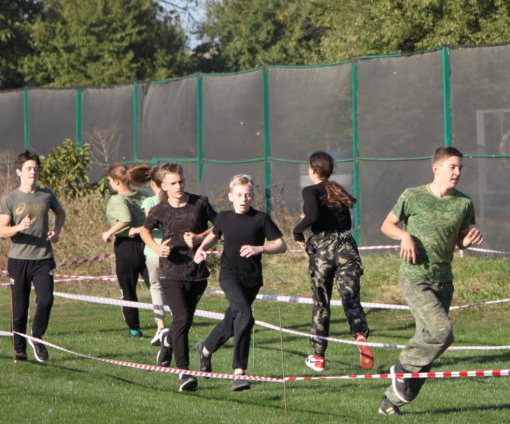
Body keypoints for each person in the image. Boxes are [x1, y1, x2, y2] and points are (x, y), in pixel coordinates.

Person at [377, 146, 484, 416]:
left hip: (443, 280)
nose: (457, 172)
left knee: (428, 341)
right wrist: (404, 236)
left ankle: (393, 400)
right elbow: (387, 225)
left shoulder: (463, 203)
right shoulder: (412, 196)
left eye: (461, 167)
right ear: (436, 168)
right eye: (452, 167)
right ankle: (402, 368)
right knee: (441, 332)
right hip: (415, 277)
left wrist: (465, 243)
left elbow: (459, 239)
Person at [193, 174, 286, 391]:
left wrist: (260, 248)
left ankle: (205, 349)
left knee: (232, 320)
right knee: (245, 315)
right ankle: (239, 372)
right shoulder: (224, 217)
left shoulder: (261, 218)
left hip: (252, 279)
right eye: (239, 195)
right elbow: (214, 235)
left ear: (253, 196)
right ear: (230, 197)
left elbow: (281, 245)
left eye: (248, 195)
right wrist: (201, 249)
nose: (243, 199)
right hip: (229, 275)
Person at [293, 151, 373, 372]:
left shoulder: (310, 190)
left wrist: (297, 233)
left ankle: (318, 356)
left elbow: (312, 218)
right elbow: (345, 221)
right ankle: (359, 335)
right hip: (347, 245)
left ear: (313, 170)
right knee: (351, 298)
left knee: (322, 303)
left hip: (323, 248)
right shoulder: (337, 189)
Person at [139, 163, 215, 392]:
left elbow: (219, 225)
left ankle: (168, 341)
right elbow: (145, 230)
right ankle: (185, 373)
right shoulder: (160, 209)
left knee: (185, 321)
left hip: (197, 271)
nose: (178, 186)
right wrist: (156, 247)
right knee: (181, 319)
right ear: (163, 186)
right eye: (173, 183)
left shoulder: (200, 203)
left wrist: (200, 237)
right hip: (171, 271)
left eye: (181, 181)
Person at [0, 150, 66, 362]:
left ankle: (36, 337)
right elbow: (1, 231)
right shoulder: (10, 198)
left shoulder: (47, 195)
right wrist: (19, 227)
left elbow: (61, 213)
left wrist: (56, 231)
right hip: (18, 260)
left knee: (45, 300)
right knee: (19, 309)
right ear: (19, 172)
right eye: (28, 169)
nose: (33, 172)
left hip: (43, 257)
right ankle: (20, 350)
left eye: (35, 168)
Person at [102, 163, 152, 338]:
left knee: (128, 289)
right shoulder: (143, 195)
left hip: (126, 247)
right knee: (155, 286)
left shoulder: (117, 199)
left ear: (116, 182)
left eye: (109, 180)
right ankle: (173, 321)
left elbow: (125, 219)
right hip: (147, 243)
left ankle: (134, 329)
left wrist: (109, 232)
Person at [140, 166, 169, 346]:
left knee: (158, 287)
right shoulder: (151, 202)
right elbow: (151, 224)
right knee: (159, 286)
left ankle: (162, 326)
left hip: (158, 251)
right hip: (155, 251)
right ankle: (162, 327)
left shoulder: (150, 202)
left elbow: (148, 225)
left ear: (153, 184)